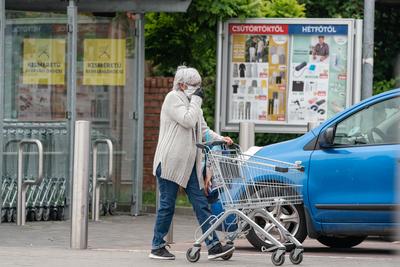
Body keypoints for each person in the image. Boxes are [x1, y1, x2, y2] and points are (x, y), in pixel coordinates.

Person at [149, 66, 235, 260]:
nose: (197, 89)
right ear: (181, 85)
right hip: (170, 162)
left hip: (189, 164)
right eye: (193, 85)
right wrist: (196, 99)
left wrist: (221, 138)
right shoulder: (173, 98)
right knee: (167, 205)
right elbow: (187, 120)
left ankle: (213, 245)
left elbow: (202, 128)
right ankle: (157, 246)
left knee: (201, 203)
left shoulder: (192, 102)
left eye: (198, 85)